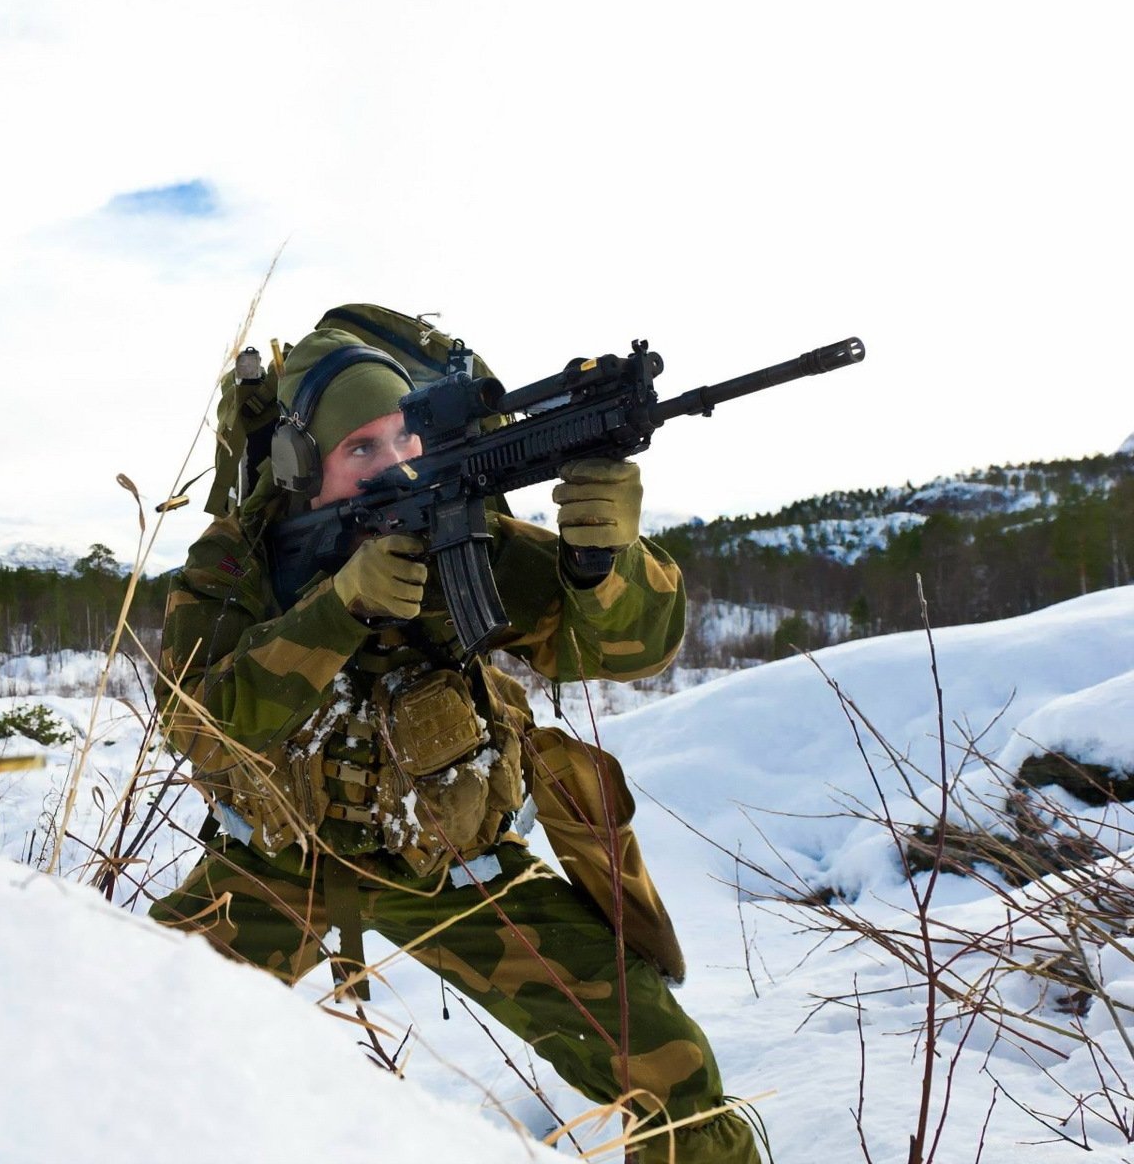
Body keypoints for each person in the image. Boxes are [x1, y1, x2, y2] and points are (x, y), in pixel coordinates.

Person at [149, 312, 762, 1164]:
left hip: (450, 869)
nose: (390, 465)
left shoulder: (458, 528)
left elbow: (631, 651)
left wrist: (604, 563)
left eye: (399, 440)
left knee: (671, 1068)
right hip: (273, 866)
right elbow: (200, 729)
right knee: (132, 1023)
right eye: (358, 448)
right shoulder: (238, 560)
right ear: (299, 463)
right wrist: (338, 610)